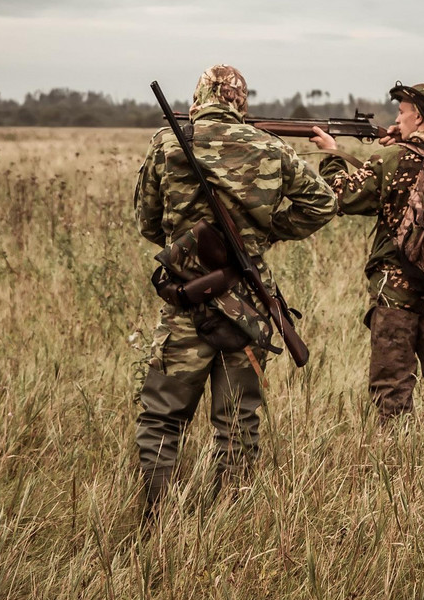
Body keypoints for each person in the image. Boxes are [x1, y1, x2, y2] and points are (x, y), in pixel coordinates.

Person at [134, 64, 336, 522]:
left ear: (200, 96)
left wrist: (186, 245)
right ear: (240, 103)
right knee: (238, 422)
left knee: (163, 416)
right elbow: (323, 202)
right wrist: (266, 236)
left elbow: (147, 223)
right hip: (247, 304)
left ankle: (157, 522)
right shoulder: (271, 147)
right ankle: (231, 522)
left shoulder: (168, 143)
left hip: (186, 301)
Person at [309, 81, 424, 429]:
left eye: (402, 112)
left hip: (397, 291)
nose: (397, 118)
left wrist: (331, 154)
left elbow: (341, 197)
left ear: (418, 116)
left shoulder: (392, 158)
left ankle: (399, 456)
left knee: (393, 387)